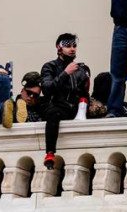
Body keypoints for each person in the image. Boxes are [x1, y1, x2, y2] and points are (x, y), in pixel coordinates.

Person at [41, 34, 91, 169]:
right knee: (53, 114)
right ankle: (50, 153)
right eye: (68, 46)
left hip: (75, 109)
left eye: (74, 46)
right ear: (59, 47)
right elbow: (47, 89)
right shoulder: (49, 66)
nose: (72, 49)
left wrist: (84, 107)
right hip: (58, 107)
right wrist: (65, 73)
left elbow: (84, 93)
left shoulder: (80, 70)